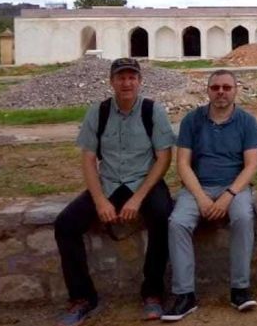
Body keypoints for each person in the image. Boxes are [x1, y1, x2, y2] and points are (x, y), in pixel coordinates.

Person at [53, 57, 175, 326]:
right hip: (109, 183)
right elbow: (88, 159)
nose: (126, 83)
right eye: (121, 77)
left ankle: (153, 293)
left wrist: (138, 197)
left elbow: (164, 158)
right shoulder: (98, 112)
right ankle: (82, 298)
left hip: (144, 182)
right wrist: (99, 201)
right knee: (65, 225)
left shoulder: (152, 111)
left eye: (132, 77)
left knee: (163, 217)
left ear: (140, 81)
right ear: (112, 82)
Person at [161, 70, 257, 321]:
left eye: (226, 87)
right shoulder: (192, 120)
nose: (221, 92)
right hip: (198, 187)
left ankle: (240, 288)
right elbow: (183, 164)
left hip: (234, 187)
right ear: (207, 90)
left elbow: (251, 165)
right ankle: (185, 294)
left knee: (243, 218)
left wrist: (228, 195)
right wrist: (202, 198)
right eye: (215, 87)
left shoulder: (246, 121)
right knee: (177, 223)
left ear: (235, 90)